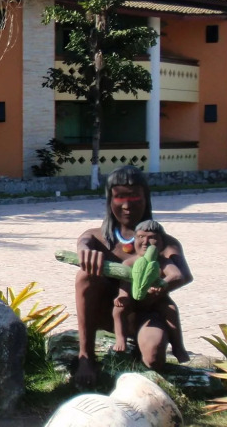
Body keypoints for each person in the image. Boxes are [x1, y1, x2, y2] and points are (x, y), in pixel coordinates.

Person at [73, 166, 192, 388]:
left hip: (145, 314)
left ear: (146, 198)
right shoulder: (98, 237)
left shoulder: (162, 242)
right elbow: (84, 241)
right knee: (85, 276)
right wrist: (84, 251)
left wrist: (160, 286)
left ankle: (162, 350)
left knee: (154, 358)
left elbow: (183, 274)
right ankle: (86, 357)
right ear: (110, 200)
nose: (127, 205)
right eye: (120, 197)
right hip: (108, 313)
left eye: (135, 197)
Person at [111, 219, 190, 365]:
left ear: (161, 243)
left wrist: (162, 284)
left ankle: (178, 347)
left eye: (152, 238)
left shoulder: (162, 262)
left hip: (156, 302)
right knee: (118, 310)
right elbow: (124, 284)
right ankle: (120, 339)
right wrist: (123, 296)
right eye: (140, 237)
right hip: (133, 302)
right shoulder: (129, 263)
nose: (145, 242)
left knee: (171, 309)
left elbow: (177, 275)